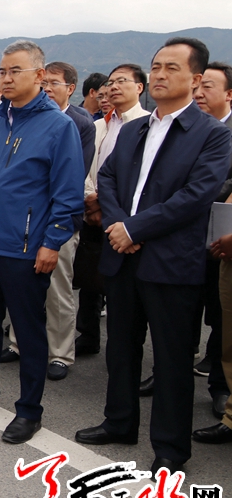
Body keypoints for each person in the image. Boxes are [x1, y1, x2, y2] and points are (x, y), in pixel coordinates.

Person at [75, 38, 231, 475]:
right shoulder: (135, 129)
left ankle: (170, 447)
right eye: (156, 66)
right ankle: (119, 421)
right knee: (121, 347)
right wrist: (119, 226)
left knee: (172, 357)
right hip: (123, 255)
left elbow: (197, 196)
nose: (160, 74)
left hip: (171, 261)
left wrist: (134, 229)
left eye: (171, 68)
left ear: (195, 79)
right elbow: (108, 177)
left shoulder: (212, 134)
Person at [0, 40, 83, 445]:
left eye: (14, 71)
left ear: (39, 75)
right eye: (2, 72)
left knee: (28, 331)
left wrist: (52, 242)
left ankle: (29, 411)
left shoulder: (58, 126)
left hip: (25, 249)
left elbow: (68, 194)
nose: (5, 78)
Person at [2, 61, 95, 381]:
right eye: (45, 82)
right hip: (21, 221)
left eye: (55, 83)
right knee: (20, 286)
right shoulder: (24, 118)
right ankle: (17, 343)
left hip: (58, 220)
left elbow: (73, 176)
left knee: (57, 290)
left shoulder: (79, 123)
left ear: (71, 88)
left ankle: (60, 353)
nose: (48, 88)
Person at [77, 65, 149, 357]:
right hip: (92, 213)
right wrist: (90, 199)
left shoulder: (147, 124)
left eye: (122, 81)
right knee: (89, 279)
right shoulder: (98, 126)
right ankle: (88, 336)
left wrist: (106, 207)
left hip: (124, 221)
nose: (113, 87)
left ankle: (125, 351)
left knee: (124, 290)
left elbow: (138, 180)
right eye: (111, 82)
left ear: (140, 88)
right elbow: (87, 167)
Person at [192, 61, 232, 434]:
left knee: (222, 318)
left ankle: (221, 388)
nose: (200, 93)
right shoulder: (189, 129)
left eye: (208, 87)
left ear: (229, 94)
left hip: (222, 240)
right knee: (186, 310)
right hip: (187, 237)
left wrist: (196, 195)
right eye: (198, 86)